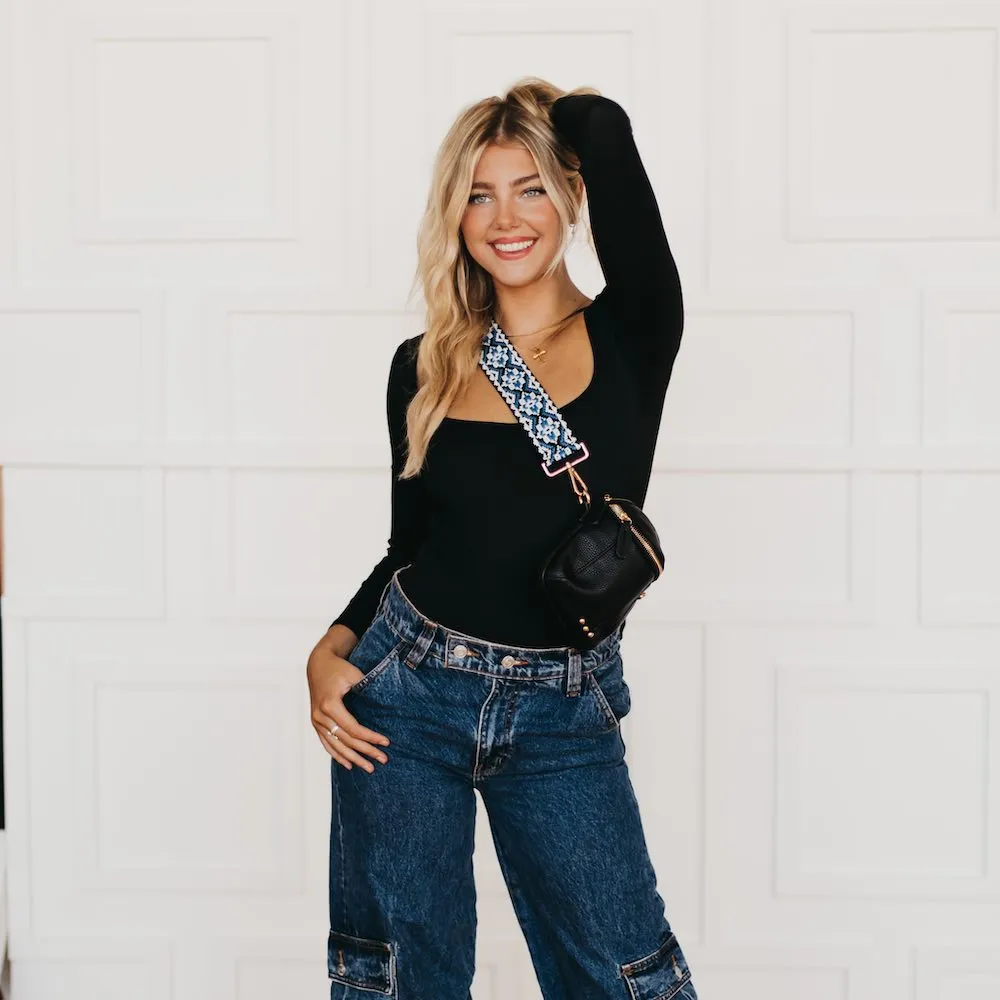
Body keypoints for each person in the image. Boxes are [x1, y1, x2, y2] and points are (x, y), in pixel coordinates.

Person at [306, 76, 695, 1000]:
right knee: (403, 977)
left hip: (563, 708)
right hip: (405, 695)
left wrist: (542, 112)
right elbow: (407, 549)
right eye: (479, 194)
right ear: (455, 214)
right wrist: (330, 651)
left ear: (570, 196)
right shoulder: (423, 367)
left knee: (627, 975)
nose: (506, 218)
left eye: (531, 189)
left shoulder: (634, 328)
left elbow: (606, 127)